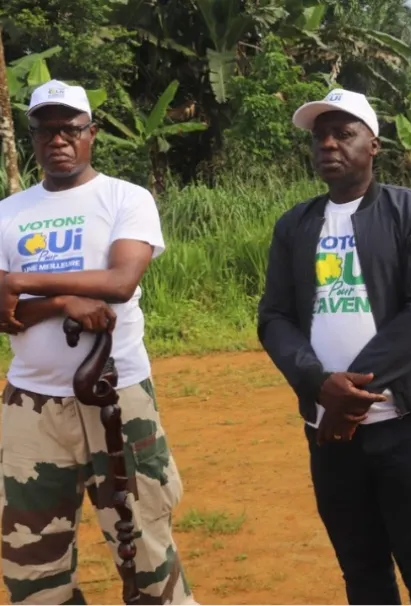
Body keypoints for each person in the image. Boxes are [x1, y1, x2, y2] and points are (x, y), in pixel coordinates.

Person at [256, 88, 411, 605]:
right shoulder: (295, 225)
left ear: (373, 146)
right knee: (360, 565)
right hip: (326, 430)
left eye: (343, 134)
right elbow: (275, 316)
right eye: (319, 136)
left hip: (402, 422)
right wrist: (319, 385)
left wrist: (350, 396)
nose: (328, 144)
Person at [0, 80, 194, 605]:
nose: (57, 139)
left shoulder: (125, 197)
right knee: (31, 567)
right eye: (46, 130)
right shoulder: (7, 212)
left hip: (117, 399)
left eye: (70, 129)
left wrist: (20, 283)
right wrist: (62, 304)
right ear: (33, 137)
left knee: (147, 553)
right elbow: (2, 311)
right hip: (31, 408)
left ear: (92, 133)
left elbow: (119, 283)